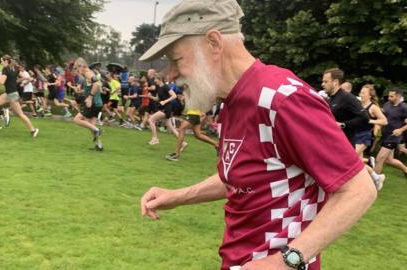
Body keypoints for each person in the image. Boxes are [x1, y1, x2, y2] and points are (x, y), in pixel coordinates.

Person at [139, 1, 376, 270]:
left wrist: (287, 260)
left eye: (176, 60)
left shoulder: (284, 100)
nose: (171, 75)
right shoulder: (232, 102)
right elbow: (245, 175)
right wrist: (178, 196)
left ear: (214, 43)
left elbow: (358, 189)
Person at [0, 55, 39, 137]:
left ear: (6, 61)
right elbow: (28, 78)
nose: (0, 62)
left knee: (20, 114)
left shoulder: (5, 69)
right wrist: (17, 81)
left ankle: (33, 130)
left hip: (12, 95)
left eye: (1, 61)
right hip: (9, 93)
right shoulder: (14, 69)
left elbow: (1, 82)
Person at [322, 68, 369, 146]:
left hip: (345, 146)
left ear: (335, 82)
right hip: (332, 143)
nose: (322, 84)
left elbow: (364, 118)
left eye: (325, 81)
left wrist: (343, 124)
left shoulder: (347, 98)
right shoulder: (330, 99)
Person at [374, 88, 407, 177]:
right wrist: (378, 126)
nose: (389, 98)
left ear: (398, 96)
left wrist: (400, 130)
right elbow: (382, 118)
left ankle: (375, 181)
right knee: (389, 160)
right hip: (385, 136)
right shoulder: (387, 105)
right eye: (389, 96)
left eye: (391, 96)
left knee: (379, 159)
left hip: (393, 138)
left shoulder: (404, 108)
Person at [72, 58, 103, 151]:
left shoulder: (87, 73)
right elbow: (94, 84)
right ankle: (99, 146)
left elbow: (97, 84)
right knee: (91, 124)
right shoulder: (88, 74)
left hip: (93, 103)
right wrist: (82, 90)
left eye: (77, 69)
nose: (77, 71)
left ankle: (97, 130)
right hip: (98, 103)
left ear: (81, 66)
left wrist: (90, 97)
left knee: (77, 119)